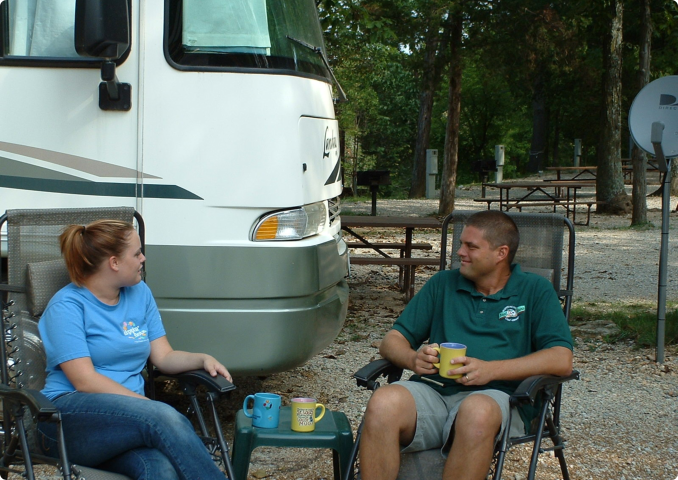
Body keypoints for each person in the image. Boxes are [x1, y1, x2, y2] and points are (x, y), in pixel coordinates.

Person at [359, 210, 573, 480]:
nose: (460, 252)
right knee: (384, 402)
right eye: (460, 244)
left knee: (476, 411)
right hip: (433, 394)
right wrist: (413, 359)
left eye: (471, 246)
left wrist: (490, 370)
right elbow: (393, 340)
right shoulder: (443, 284)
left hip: (499, 399)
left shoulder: (535, 290)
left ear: (501, 253)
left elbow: (561, 358)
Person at [37, 219, 232, 480]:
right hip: (66, 421)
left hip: (128, 423)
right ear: (114, 263)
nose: (143, 258)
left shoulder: (139, 292)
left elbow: (164, 356)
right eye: (137, 253)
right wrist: (148, 409)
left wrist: (202, 358)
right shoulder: (67, 307)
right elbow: (84, 380)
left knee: (160, 470)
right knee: (163, 417)